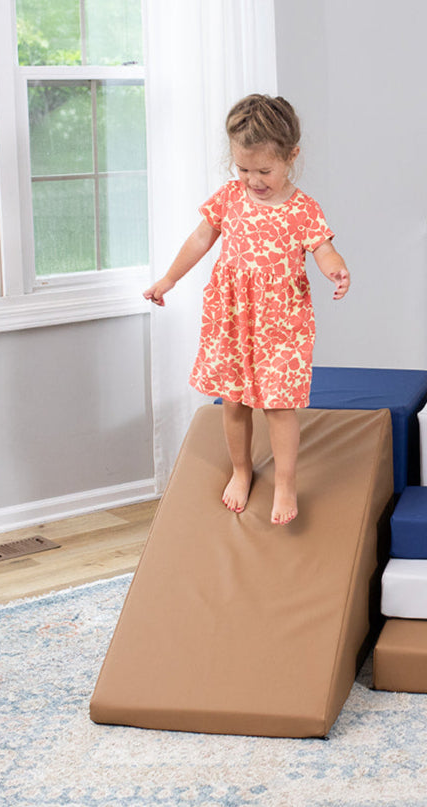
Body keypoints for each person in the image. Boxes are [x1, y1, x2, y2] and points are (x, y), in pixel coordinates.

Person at [144, 94, 350, 525]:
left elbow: (323, 248)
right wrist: (169, 278)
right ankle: (241, 471)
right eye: (243, 169)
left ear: (292, 157)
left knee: (279, 405)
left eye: (264, 171)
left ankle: (286, 483)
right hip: (233, 318)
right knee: (233, 402)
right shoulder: (229, 198)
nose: (253, 180)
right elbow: (200, 240)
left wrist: (337, 271)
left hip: (281, 323)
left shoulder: (302, 208)